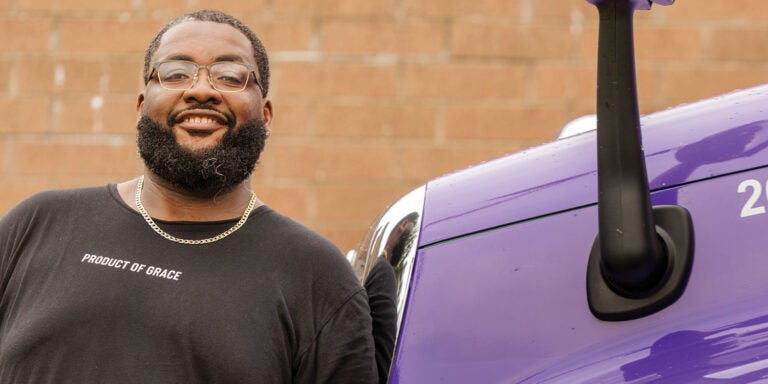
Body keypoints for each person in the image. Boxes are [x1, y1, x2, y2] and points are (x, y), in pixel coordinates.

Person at [0, 9, 376, 383]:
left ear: (266, 115)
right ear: (140, 107)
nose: (200, 89)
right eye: (176, 73)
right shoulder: (36, 225)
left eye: (230, 76)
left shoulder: (317, 277)